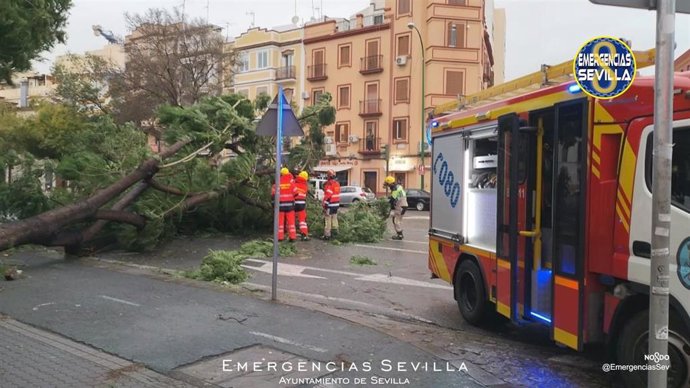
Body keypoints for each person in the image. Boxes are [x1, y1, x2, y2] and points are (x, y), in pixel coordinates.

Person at [271, 167, 298, 242]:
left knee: (280, 222)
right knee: (291, 222)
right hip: (290, 206)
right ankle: (292, 237)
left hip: (280, 206)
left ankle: (280, 237)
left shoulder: (278, 181)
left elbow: (273, 194)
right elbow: (296, 193)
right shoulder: (291, 181)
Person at [384, 176, 408, 240]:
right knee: (394, 219)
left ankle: (400, 235)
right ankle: (398, 233)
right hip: (400, 206)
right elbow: (394, 199)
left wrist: (386, 205)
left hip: (401, 207)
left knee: (396, 221)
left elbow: (392, 201)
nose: (388, 187)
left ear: (390, 184)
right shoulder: (398, 187)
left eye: (388, 185)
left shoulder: (395, 189)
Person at [321, 169, 340, 240]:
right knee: (334, 218)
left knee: (328, 219)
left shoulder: (329, 185)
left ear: (328, 176)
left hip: (330, 205)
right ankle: (335, 232)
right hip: (336, 205)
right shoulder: (337, 184)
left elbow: (328, 196)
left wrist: (324, 205)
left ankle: (327, 235)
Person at [294, 170, 310, 241]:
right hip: (302, 205)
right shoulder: (305, 186)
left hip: (294, 203)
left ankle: (290, 234)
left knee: (291, 219)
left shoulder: (294, 183)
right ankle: (304, 234)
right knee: (302, 220)